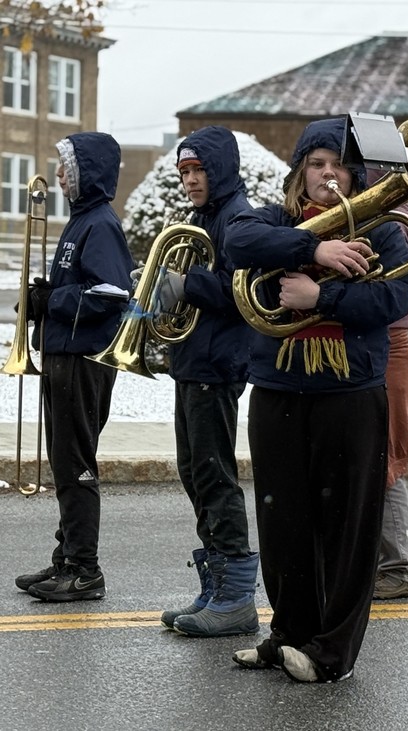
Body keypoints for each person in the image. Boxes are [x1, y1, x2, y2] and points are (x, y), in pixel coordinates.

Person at [224, 116, 408, 683]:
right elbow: (236, 241)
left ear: (353, 174)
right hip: (279, 388)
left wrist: (321, 295)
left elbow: (393, 302)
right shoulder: (274, 220)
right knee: (282, 523)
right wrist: (317, 246)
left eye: (337, 164)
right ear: (300, 172)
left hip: (349, 394)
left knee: (346, 529)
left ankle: (332, 653)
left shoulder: (384, 231)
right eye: (316, 163)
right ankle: (288, 634)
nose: (327, 173)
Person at [15, 132, 133, 601]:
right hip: (66, 355)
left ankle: (85, 570)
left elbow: (111, 294)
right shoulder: (81, 221)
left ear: (87, 173)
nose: (60, 176)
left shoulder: (100, 224)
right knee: (65, 462)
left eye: (67, 168)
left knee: (75, 464)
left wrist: (54, 299)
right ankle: (66, 558)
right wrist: (47, 295)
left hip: (84, 361)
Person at [156, 126, 259, 637]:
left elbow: (238, 288)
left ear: (218, 170)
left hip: (217, 365)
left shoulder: (236, 217)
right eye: (184, 172)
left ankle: (238, 595)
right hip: (194, 360)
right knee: (194, 472)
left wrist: (185, 284)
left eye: (197, 171)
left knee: (214, 475)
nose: (191, 180)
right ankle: (216, 585)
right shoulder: (204, 217)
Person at [374, 186, 408, 601]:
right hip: (390, 350)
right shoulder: (400, 219)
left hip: (389, 349)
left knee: (384, 464)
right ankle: (390, 564)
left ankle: (400, 568)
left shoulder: (395, 223)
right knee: (377, 460)